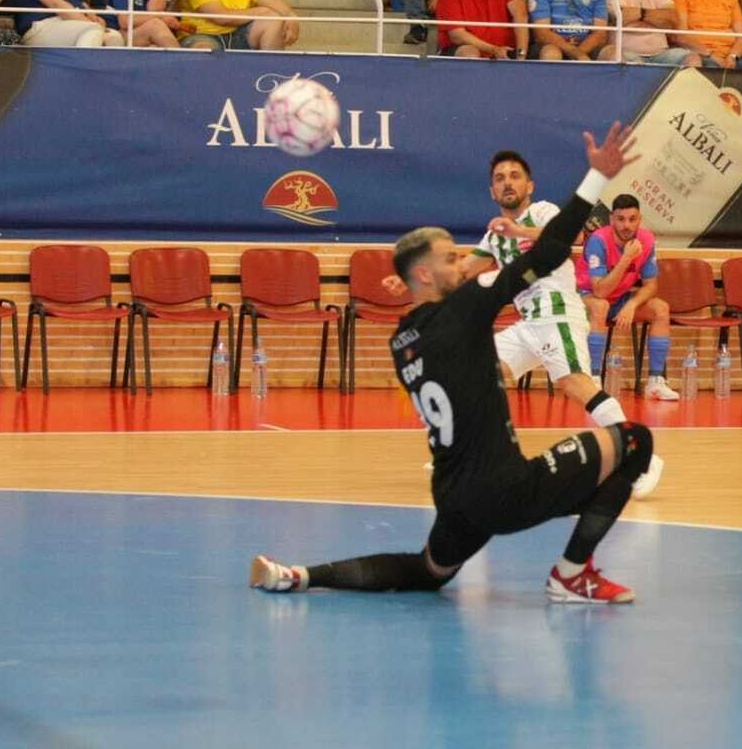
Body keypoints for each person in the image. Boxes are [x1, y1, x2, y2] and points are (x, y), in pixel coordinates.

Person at [250, 124, 652, 605]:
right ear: (425, 274)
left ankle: (297, 575)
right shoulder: (467, 311)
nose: (461, 261)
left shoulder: (402, 341)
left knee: (428, 569)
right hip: (504, 491)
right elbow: (547, 250)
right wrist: (596, 178)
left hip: (454, 498)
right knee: (634, 442)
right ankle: (570, 576)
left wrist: (420, 288)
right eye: (449, 258)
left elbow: (453, 305)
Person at [457, 149, 664, 496]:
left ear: (529, 185)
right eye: (499, 178)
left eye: (514, 176)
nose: (507, 182)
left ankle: (643, 457)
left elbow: (561, 235)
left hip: (557, 314)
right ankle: (476, 457)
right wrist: (416, 277)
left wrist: (519, 229)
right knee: (478, 372)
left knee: (575, 384)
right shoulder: (493, 236)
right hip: (528, 323)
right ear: (492, 192)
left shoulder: (543, 212)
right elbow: (464, 270)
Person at [580, 195, 680, 401]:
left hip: (618, 299)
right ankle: (593, 380)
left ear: (640, 219)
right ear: (611, 219)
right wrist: (626, 258)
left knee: (660, 308)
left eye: (632, 219)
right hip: (584, 297)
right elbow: (599, 291)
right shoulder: (598, 240)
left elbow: (651, 284)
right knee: (600, 306)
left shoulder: (647, 239)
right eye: (621, 219)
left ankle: (655, 381)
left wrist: (632, 304)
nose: (626, 225)